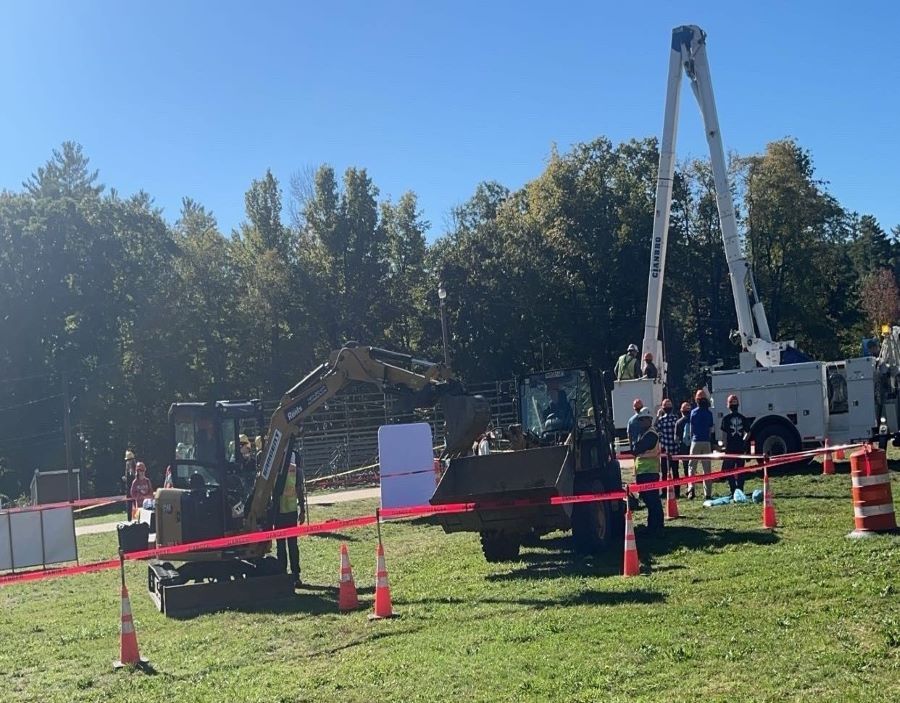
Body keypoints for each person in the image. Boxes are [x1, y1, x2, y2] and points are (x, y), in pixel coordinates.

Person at [272, 452, 303, 587]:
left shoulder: (276, 470)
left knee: (287, 545)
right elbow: (299, 490)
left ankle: (291, 574)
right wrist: (302, 509)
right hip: (286, 512)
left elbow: (299, 489)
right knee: (287, 545)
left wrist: (302, 509)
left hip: (283, 512)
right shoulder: (293, 470)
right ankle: (288, 574)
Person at [632, 408, 664, 530]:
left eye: (642, 420)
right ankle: (652, 526)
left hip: (649, 472)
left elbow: (636, 449)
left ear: (649, 420)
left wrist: (636, 447)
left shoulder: (651, 435)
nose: (640, 422)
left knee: (653, 501)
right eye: (639, 420)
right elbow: (635, 448)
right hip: (643, 472)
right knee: (649, 501)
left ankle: (657, 527)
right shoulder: (644, 433)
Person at [688, 390, 715, 500]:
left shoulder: (693, 412)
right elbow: (710, 429)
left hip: (696, 441)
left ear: (697, 400)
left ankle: (691, 489)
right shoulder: (709, 413)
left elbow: (691, 429)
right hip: (706, 442)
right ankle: (707, 493)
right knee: (707, 468)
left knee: (692, 467)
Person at [720, 394, 749, 495]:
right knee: (741, 469)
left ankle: (733, 489)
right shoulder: (743, 418)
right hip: (740, 447)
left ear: (728, 405)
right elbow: (748, 432)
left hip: (730, 448)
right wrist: (744, 441)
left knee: (729, 470)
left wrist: (723, 446)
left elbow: (724, 435)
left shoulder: (726, 419)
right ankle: (740, 489)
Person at [655, 399, 679, 497]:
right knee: (673, 471)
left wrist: (657, 415)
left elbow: (655, 428)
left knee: (667, 472)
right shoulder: (674, 418)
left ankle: (666, 492)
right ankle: (675, 492)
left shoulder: (662, 420)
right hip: (671, 449)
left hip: (667, 449)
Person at [674, 402, 692, 497]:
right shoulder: (694, 420)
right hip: (693, 447)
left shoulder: (679, 422)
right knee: (693, 468)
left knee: (686, 468)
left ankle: (688, 487)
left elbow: (676, 439)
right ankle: (692, 487)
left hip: (683, 448)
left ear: (681, 411)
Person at [123, 450, 136, 519]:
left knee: (136, 503)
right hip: (128, 488)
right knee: (129, 504)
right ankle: (129, 519)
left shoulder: (135, 468)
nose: (128, 462)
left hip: (134, 488)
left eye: (129, 460)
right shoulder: (127, 468)